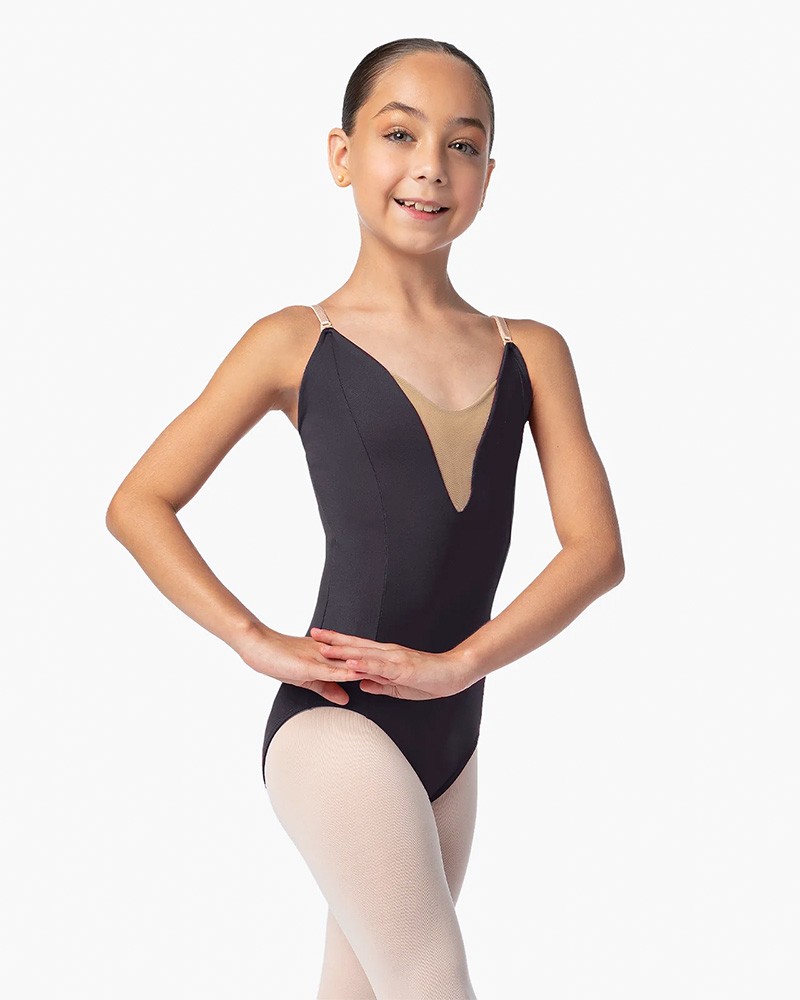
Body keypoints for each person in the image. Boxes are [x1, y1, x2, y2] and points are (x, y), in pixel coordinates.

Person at [106, 36, 624, 1000]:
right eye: (400, 134)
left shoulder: (534, 352)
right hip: (333, 725)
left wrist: (460, 667)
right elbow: (139, 502)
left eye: (462, 144)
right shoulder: (294, 341)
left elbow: (596, 552)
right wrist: (253, 639)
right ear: (342, 156)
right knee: (432, 981)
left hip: (453, 735)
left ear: (488, 176)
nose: (431, 166)